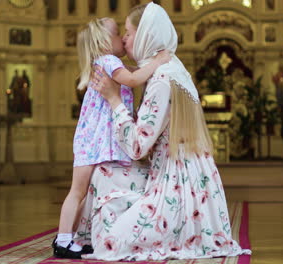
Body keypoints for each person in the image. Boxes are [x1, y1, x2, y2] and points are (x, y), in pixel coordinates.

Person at [73, 3, 252, 261]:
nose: (124, 38)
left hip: (176, 186)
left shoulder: (161, 81)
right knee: (104, 171)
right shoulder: (172, 69)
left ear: (146, 34)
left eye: (128, 32)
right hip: (183, 177)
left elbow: (137, 147)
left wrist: (114, 100)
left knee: (111, 243)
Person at [53, 17, 171, 259]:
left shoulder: (110, 62)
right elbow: (134, 80)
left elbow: (136, 73)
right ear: (105, 43)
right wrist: (159, 61)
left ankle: (69, 237)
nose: (122, 38)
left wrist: (149, 66)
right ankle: (63, 240)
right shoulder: (108, 61)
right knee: (77, 191)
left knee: (81, 192)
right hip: (91, 140)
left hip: (94, 139)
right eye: (118, 34)